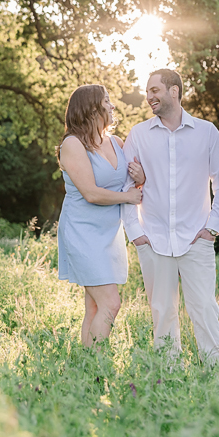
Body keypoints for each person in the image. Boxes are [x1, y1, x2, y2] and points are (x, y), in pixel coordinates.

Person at [121, 69, 219, 368]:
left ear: (174, 91)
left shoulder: (207, 132)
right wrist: (136, 234)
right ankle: (168, 378)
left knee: (204, 310)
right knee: (162, 313)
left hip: (196, 238)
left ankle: (215, 377)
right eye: (147, 91)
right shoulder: (138, 135)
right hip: (153, 239)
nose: (149, 97)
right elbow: (125, 188)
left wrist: (211, 229)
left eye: (154, 90)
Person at [57, 84, 145, 346]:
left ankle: (84, 366)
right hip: (82, 232)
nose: (112, 105)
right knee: (111, 303)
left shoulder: (116, 143)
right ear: (92, 108)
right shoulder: (73, 144)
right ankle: (97, 363)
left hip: (109, 233)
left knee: (95, 307)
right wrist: (128, 197)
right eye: (106, 101)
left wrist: (140, 178)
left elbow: (133, 181)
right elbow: (91, 193)